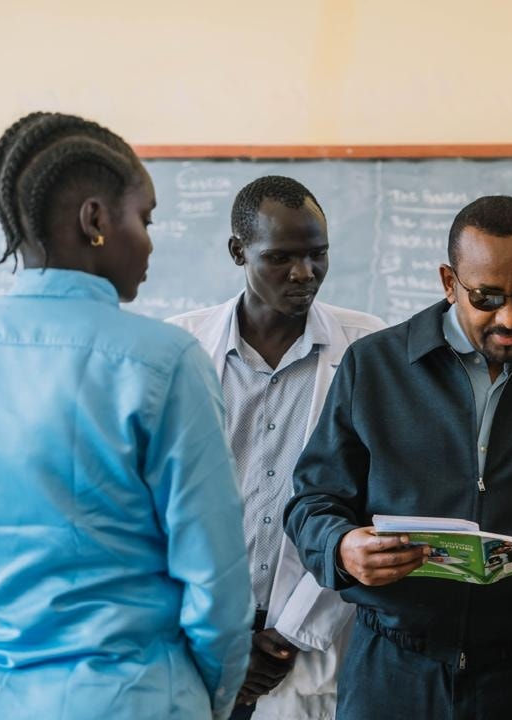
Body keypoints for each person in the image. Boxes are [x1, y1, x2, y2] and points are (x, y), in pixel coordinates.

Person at [0, 112, 252, 719]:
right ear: (96, 220)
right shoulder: (166, 362)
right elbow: (216, 584)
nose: (152, 241)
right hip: (137, 700)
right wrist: (201, 695)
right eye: (146, 218)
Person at [285, 195, 512, 719]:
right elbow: (312, 501)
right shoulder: (373, 367)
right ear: (449, 282)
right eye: (487, 297)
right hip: (391, 675)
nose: (510, 317)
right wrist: (341, 548)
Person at [168, 175, 385, 719]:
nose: (304, 273)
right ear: (238, 252)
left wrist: (289, 634)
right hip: (198, 638)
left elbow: (372, 507)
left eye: (317, 254)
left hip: (311, 642)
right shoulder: (180, 349)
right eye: (281, 256)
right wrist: (218, 635)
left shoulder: (369, 348)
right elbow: (159, 510)